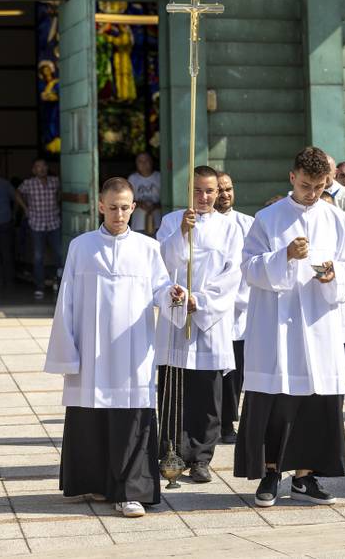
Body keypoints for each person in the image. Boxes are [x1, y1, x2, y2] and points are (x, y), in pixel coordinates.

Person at [44, 177, 186, 518]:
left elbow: (161, 288)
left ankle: (129, 491)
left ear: (134, 208)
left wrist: (173, 296)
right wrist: (67, 351)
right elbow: (67, 302)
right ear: (100, 207)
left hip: (132, 349)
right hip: (91, 351)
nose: (119, 214)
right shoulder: (81, 246)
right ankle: (93, 481)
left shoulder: (148, 248)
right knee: (90, 416)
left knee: (132, 416)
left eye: (125, 208)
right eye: (112, 208)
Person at [234, 146, 345, 508]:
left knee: (315, 403)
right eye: (306, 185)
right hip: (278, 327)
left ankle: (305, 477)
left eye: (320, 187)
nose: (313, 193)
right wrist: (284, 256)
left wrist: (335, 274)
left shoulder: (334, 218)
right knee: (277, 402)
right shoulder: (268, 217)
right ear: (292, 178)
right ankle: (271, 473)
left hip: (319, 324)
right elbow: (249, 267)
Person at [154, 166, 244, 483]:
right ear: (187, 191)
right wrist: (181, 233)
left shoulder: (230, 228)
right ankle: (171, 452)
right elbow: (161, 264)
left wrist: (202, 301)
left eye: (209, 191)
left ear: (218, 193)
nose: (203, 197)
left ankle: (202, 458)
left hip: (210, 320)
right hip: (176, 318)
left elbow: (233, 274)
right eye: (197, 190)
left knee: (207, 397)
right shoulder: (170, 221)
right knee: (173, 390)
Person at [214, 171, 254, 445]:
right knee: (214, 370)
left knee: (236, 371)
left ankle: (229, 422)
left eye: (229, 188)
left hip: (240, 308)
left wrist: (241, 298)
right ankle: (215, 421)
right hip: (213, 307)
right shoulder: (201, 224)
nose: (225, 194)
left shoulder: (247, 223)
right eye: (220, 190)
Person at [16, 159, 62, 299]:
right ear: (34, 170)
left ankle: (61, 283)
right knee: (38, 257)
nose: (41, 169)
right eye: (38, 167)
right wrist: (25, 209)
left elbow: (60, 193)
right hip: (37, 224)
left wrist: (58, 205)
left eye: (44, 166)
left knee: (60, 254)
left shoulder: (55, 181)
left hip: (53, 223)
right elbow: (17, 193)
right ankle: (40, 287)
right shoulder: (28, 183)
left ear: (47, 168)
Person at [128, 153, 162, 236]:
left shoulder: (159, 176)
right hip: (138, 224)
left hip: (157, 223)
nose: (144, 164)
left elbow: (167, 198)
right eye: (140, 161)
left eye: (146, 160)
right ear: (136, 163)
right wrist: (140, 204)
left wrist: (155, 206)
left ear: (151, 162)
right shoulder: (132, 178)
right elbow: (127, 200)